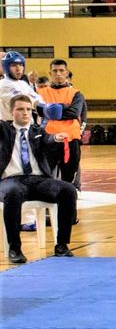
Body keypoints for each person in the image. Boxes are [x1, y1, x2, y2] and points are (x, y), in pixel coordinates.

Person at [0, 94, 78, 263]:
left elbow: (48, 139)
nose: (25, 113)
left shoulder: (38, 131)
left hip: (37, 180)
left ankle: (62, 245)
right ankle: (15, 248)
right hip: (10, 180)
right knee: (13, 192)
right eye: (20, 109)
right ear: (11, 112)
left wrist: (55, 138)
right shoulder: (3, 129)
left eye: (28, 109)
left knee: (68, 190)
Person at [1, 51, 45, 231]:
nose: (18, 68)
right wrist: (41, 106)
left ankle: (29, 217)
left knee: (31, 171)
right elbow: (22, 100)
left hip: (27, 132)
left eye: (21, 65)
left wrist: (46, 107)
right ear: (6, 67)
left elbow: (37, 99)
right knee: (12, 173)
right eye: (14, 65)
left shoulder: (24, 84)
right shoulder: (4, 85)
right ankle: (19, 217)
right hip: (8, 132)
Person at [37, 60, 85, 192]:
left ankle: (67, 200)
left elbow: (74, 112)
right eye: (55, 71)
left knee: (68, 176)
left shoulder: (76, 93)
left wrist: (50, 110)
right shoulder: (40, 92)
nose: (58, 74)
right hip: (48, 139)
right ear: (50, 73)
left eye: (61, 71)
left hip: (70, 139)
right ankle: (47, 203)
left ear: (67, 73)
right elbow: (38, 110)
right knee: (45, 173)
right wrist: (64, 106)